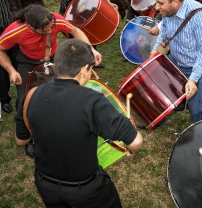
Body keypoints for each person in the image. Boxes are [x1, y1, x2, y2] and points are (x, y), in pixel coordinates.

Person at [14, 38, 143, 207]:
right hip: (86, 190)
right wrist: (131, 150)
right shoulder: (92, 101)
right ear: (84, 70)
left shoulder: (30, 96)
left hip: (46, 185)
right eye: (90, 69)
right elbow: (136, 141)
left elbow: (21, 140)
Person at [0, 5, 102, 112]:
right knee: (23, 100)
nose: (51, 31)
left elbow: (74, 31)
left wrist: (91, 49)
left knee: (65, 90)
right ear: (32, 28)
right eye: (46, 30)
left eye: (51, 27)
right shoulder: (16, 30)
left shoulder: (55, 20)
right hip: (28, 61)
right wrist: (12, 71)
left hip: (54, 58)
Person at [151, 0, 202, 123]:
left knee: (197, 108)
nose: (157, 8)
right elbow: (164, 31)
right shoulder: (168, 11)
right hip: (176, 58)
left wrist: (193, 79)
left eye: (160, 3)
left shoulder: (200, 17)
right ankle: (158, 120)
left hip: (198, 65)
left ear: (175, 1)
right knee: (164, 90)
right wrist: (154, 53)